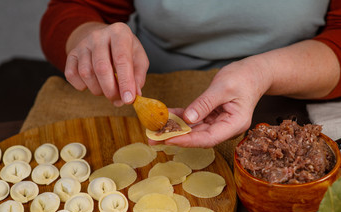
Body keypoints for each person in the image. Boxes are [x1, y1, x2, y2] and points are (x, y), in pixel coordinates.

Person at [40, 0, 341, 148]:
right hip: (151, 85)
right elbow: (73, 8)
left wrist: (264, 72)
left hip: (294, 97)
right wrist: (91, 38)